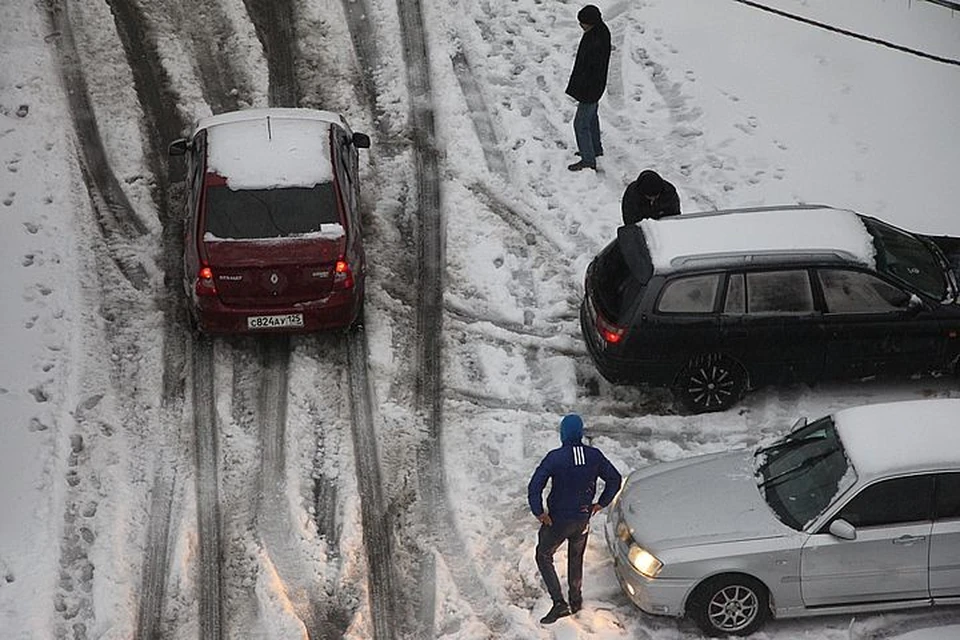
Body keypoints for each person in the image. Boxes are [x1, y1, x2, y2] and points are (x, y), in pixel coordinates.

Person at [527, 414, 622, 624]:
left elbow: (535, 486)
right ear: (580, 433)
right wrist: (601, 503)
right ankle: (576, 600)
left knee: (543, 555)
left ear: (563, 434)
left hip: (557, 521)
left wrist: (539, 512)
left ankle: (559, 603)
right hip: (582, 520)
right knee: (576, 557)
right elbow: (615, 479)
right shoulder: (594, 456)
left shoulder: (555, 457)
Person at [565, 5, 611, 172]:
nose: (581, 26)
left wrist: (581, 89)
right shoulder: (600, 32)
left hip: (589, 89)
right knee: (591, 118)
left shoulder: (595, 39)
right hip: (595, 87)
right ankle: (595, 148)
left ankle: (588, 159)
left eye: (582, 23)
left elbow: (588, 67)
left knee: (580, 124)